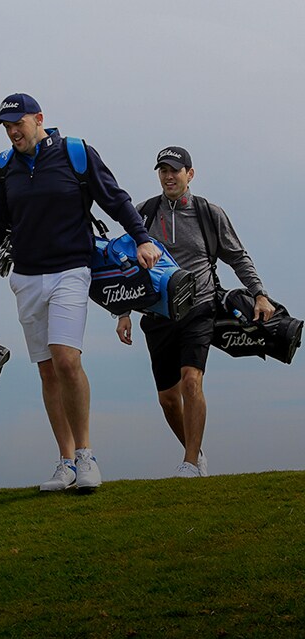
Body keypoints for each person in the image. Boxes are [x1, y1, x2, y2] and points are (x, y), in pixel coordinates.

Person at [0, 93, 161, 492]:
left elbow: (115, 199)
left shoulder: (76, 153)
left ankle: (87, 456)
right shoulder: (3, 168)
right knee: (47, 369)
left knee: (66, 359)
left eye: (18, 123)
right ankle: (66, 461)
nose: (13, 132)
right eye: (7, 126)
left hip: (71, 270)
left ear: (39, 119)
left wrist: (142, 238)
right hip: (26, 277)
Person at [116, 146, 275, 477]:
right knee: (168, 399)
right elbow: (127, 264)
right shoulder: (144, 213)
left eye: (175, 170)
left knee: (191, 380)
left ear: (190, 174)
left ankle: (189, 463)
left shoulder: (208, 213)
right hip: (157, 314)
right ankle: (196, 452)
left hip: (199, 308)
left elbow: (237, 257)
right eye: (163, 170)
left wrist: (260, 294)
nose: (168, 176)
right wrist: (123, 312)